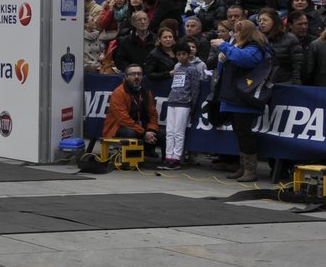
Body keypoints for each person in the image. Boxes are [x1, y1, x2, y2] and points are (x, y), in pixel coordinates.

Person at [211, 16, 271, 182]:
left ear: (244, 33)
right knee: (240, 132)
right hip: (234, 96)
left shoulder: (255, 47)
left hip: (245, 98)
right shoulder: (237, 46)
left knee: (245, 133)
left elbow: (244, 60)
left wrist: (224, 46)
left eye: (236, 32)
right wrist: (223, 57)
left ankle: (250, 170)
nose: (234, 35)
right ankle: (243, 167)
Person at [161, 40, 209, 169]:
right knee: (170, 131)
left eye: (184, 54)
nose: (181, 57)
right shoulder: (177, 67)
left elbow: (195, 89)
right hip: (172, 100)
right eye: (179, 54)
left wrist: (192, 105)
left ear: (188, 54)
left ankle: (176, 158)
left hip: (184, 103)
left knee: (179, 132)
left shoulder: (192, 69)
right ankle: (168, 156)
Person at [103, 64, 159, 157]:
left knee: (161, 133)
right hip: (119, 128)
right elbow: (123, 119)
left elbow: (153, 114)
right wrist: (144, 133)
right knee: (130, 132)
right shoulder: (118, 93)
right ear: (126, 77)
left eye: (139, 74)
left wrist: (151, 129)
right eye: (133, 74)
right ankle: (131, 160)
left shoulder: (146, 92)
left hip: (140, 127)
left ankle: (167, 162)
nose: (136, 77)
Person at [257, 8, 304, 85]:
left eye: (265, 20)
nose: (261, 23)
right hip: (262, 83)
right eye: (259, 21)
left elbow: (297, 64)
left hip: (284, 83)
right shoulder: (257, 39)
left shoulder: (290, 39)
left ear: (274, 21)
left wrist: (296, 83)